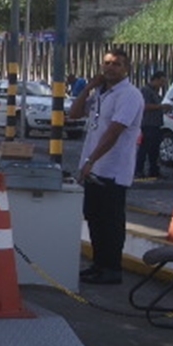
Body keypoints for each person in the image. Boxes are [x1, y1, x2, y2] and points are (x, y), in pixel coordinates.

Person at [69, 48, 144, 285]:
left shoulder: (129, 95)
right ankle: (99, 264)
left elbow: (114, 132)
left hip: (112, 169)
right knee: (94, 218)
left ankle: (112, 268)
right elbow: (73, 113)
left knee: (110, 222)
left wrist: (92, 160)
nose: (110, 67)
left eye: (117, 64)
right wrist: (88, 87)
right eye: (107, 63)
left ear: (126, 69)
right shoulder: (101, 94)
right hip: (93, 169)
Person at [135, 71, 170, 178]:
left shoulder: (155, 92)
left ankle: (154, 170)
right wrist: (160, 107)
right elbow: (144, 106)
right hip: (148, 123)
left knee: (154, 149)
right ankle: (139, 170)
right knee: (145, 148)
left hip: (156, 124)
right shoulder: (146, 91)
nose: (162, 84)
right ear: (155, 79)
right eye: (161, 81)